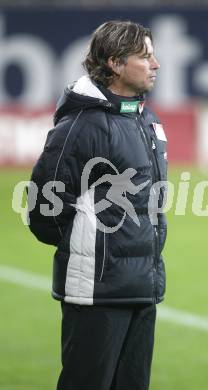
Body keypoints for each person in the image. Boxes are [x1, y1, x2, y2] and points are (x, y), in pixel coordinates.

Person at [28, 20, 167, 390]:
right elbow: (44, 208)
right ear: (115, 63)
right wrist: (89, 247)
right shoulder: (83, 125)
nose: (156, 65)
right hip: (96, 289)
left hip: (143, 285)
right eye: (145, 56)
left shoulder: (146, 120)